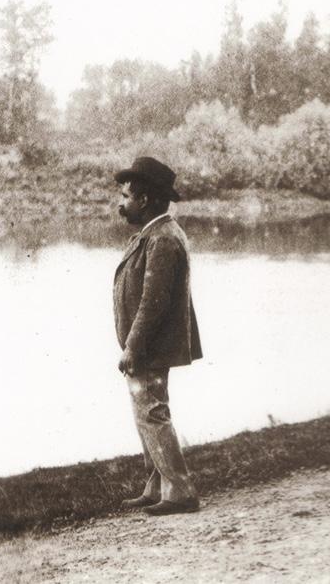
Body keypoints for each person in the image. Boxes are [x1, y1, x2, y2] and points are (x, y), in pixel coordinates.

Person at [113, 156, 202, 516]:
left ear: (145, 200)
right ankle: (156, 485)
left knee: (151, 412)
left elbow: (153, 302)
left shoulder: (162, 238)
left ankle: (179, 491)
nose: (121, 203)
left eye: (125, 196)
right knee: (145, 413)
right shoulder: (154, 233)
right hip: (147, 345)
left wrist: (133, 346)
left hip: (150, 346)